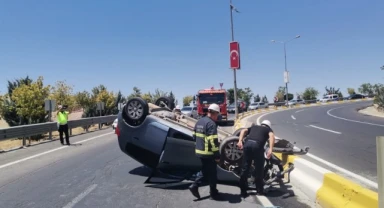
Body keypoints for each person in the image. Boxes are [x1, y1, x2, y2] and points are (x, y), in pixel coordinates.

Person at [189, 103, 221, 200]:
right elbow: (213, 141)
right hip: (208, 153)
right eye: (217, 115)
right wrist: (217, 155)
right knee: (208, 172)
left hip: (199, 151)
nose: (217, 117)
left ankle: (213, 192)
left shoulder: (199, 121)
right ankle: (195, 185)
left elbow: (194, 135)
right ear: (214, 113)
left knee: (211, 172)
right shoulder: (211, 124)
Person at [236, 120, 275, 197]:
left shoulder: (254, 127)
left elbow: (243, 130)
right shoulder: (268, 129)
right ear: (269, 126)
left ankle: (243, 191)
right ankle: (259, 191)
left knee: (245, 168)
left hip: (247, 145)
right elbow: (272, 136)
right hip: (257, 147)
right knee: (259, 169)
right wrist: (270, 149)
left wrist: (240, 141)